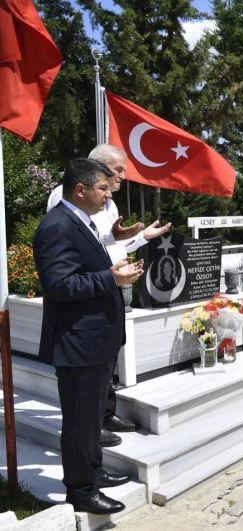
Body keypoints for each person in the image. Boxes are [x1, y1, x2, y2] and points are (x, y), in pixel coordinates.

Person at [34, 158, 144, 514]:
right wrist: (110, 279)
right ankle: (81, 491)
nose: (108, 193)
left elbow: (84, 270)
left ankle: (93, 474)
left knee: (92, 418)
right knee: (81, 422)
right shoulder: (57, 226)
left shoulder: (80, 221)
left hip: (95, 340)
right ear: (80, 190)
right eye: (103, 187)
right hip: (77, 342)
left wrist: (113, 272)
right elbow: (58, 285)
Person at [46, 144, 170, 445]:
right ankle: (91, 426)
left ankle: (104, 412)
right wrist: (109, 272)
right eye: (117, 171)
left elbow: (107, 246)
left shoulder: (107, 203)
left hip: (112, 285)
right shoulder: (64, 202)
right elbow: (75, 252)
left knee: (109, 354)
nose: (122, 178)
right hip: (90, 295)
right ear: (96, 169)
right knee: (90, 368)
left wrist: (138, 238)